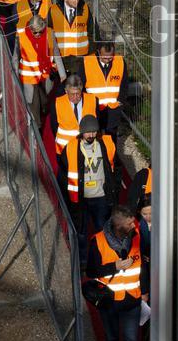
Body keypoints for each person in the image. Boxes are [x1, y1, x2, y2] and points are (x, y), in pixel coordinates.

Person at [86, 204, 148, 341]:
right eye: (129, 224)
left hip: (132, 300)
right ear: (118, 226)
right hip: (109, 302)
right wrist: (114, 267)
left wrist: (144, 291)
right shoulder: (97, 242)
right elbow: (90, 271)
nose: (133, 226)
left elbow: (142, 266)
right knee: (112, 339)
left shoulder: (136, 236)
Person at [58, 115, 120, 267]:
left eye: (94, 131)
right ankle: (83, 261)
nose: (91, 135)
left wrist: (114, 189)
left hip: (101, 197)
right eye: (88, 132)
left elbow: (115, 167)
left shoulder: (106, 144)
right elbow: (63, 173)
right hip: (81, 199)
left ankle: (105, 257)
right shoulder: (71, 147)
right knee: (82, 232)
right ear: (81, 132)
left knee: (103, 230)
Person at [81, 41, 128, 138]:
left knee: (111, 136)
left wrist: (121, 101)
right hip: (93, 107)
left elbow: (124, 84)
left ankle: (112, 152)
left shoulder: (120, 61)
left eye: (110, 57)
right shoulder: (86, 62)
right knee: (94, 135)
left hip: (113, 107)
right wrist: (86, 104)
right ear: (98, 52)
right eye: (104, 57)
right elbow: (80, 85)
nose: (107, 59)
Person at [18, 14, 57, 127]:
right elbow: (16, 57)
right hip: (29, 77)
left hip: (45, 75)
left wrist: (60, 72)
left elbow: (55, 52)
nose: (38, 34)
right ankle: (36, 128)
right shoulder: (21, 36)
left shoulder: (49, 33)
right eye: (35, 32)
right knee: (33, 103)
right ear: (30, 29)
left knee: (44, 101)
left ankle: (41, 117)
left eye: (41, 31)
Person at [50, 0, 98, 77]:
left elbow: (92, 32)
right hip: (62, 59)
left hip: (80, 59)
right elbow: (48, 35)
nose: (76, 1)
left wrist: (90, 54)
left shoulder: (85, 8)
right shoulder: (53, 10)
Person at [49, 74, 98, 158]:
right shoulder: (57, 103)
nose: (75, 97)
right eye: (72, 94)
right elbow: (54, 126)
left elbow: (96, 123)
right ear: (66, 91)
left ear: (81, 90)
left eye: (78, 94)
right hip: (64, 149)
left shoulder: (92, 100)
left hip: (87, 148)